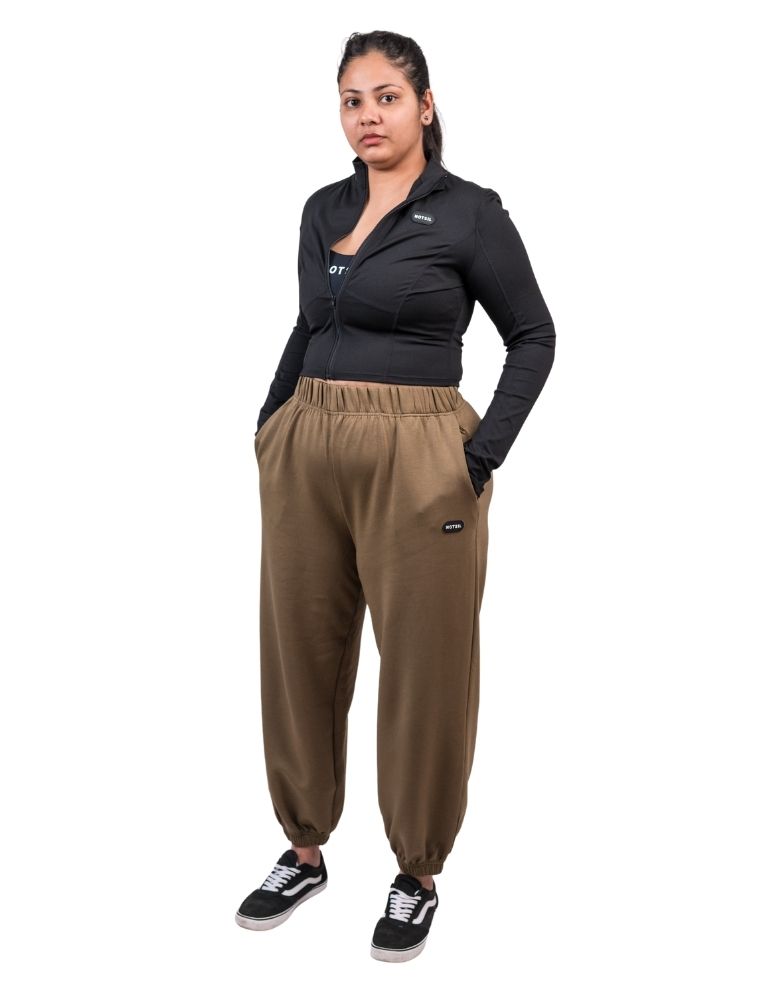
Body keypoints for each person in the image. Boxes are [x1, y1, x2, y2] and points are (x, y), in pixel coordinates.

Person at [235, 30, 556, 962]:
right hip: (308, 442)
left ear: (424, 105)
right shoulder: (322, 208)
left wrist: (478, 456)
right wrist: (270, 425)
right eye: (351, 100)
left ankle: (416, 871)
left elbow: (534, 336)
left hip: (421, 451)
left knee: (424, 664)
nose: (367, 116)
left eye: (385, 97)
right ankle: (303, 848)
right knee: (299, 648)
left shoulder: (469, 213)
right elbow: (307, 322)